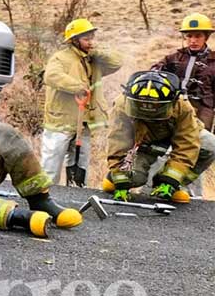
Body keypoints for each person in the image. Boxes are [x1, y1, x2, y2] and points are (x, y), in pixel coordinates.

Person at [101, 70, 215, 204]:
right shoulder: (123, 104)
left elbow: (187, 144)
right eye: (142, 106)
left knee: (209, 144)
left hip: (173, 134)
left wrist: (171, 179)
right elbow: (118, 141)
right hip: (144, 142)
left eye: (156, 107)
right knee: (134, 178)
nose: (149, 112)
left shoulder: (182, 106)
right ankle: (113, 178)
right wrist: (119, 176)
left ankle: (172, 185)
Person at [41, 18, 123, 187]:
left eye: (92, 38)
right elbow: (51, 76)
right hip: (61, 121)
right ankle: (45, 196)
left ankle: (76, 192)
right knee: (51, 164)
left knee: (80, 162)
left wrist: (96, 52)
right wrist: (77, 87)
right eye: (86, 39)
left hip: (84, 120)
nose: (91, 42)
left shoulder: (93, 59)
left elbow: (117, 62)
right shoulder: (60, 58)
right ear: (74, 40)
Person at [151, 13, 215, 131]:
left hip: (203, 107)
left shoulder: (213, 61)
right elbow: (155, 70)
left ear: (206, 37)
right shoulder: (174, 57)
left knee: (202, 140)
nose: (193, 41)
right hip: (175, 104)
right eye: (189, 36)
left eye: (198, 36)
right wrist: (157, 72)